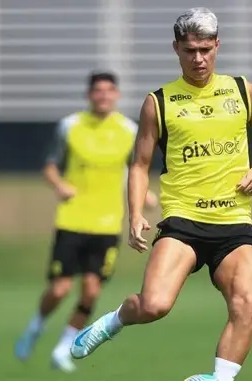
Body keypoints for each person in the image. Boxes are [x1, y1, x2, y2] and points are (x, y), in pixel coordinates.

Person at [70, 8, 252, 381]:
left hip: (233, 222)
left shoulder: (243, 91)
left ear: (217, 45)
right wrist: (134, 214)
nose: (198, 58)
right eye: (189, 50)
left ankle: (219, 378)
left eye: (204, 49)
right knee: (154, 305)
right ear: (176, 49)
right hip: (184, 221)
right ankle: (115, 320)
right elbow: (139, 164)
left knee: (246, 300)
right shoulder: (159, 102)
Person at [14, 71, 158, 373]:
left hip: (107, 225)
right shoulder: (70, 126)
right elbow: (50, 166)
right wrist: (59, 186)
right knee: (59, 289)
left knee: (91, 291)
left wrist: (144, 196)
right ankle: (36, 327)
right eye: (98, 91)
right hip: (72, 219)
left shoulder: (129, 130)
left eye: (109, 91)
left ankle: (64, 348)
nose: (103, 96)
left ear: (116, 95)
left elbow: (136, 169)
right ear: (90, 95)